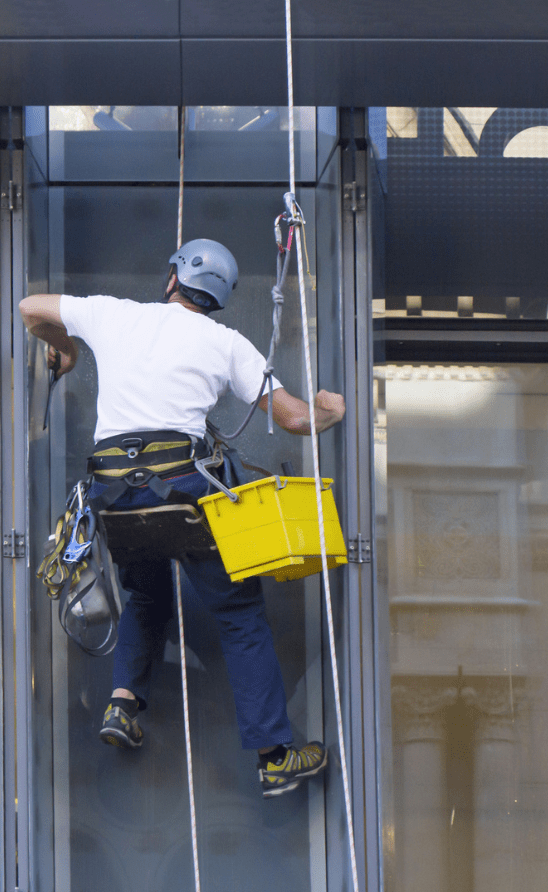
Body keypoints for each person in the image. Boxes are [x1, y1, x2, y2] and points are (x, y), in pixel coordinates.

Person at [20, 238, 345, 799]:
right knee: (239, 612)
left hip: (113, 494)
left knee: (146, 596)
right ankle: (273, 757)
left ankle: (123, 704)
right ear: (218, 297)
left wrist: (65, 350)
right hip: (181, 488)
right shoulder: (227, 343)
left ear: (174, 277)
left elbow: (31, 309)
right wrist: (331, 409)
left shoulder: (112, 312)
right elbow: (294, 419)